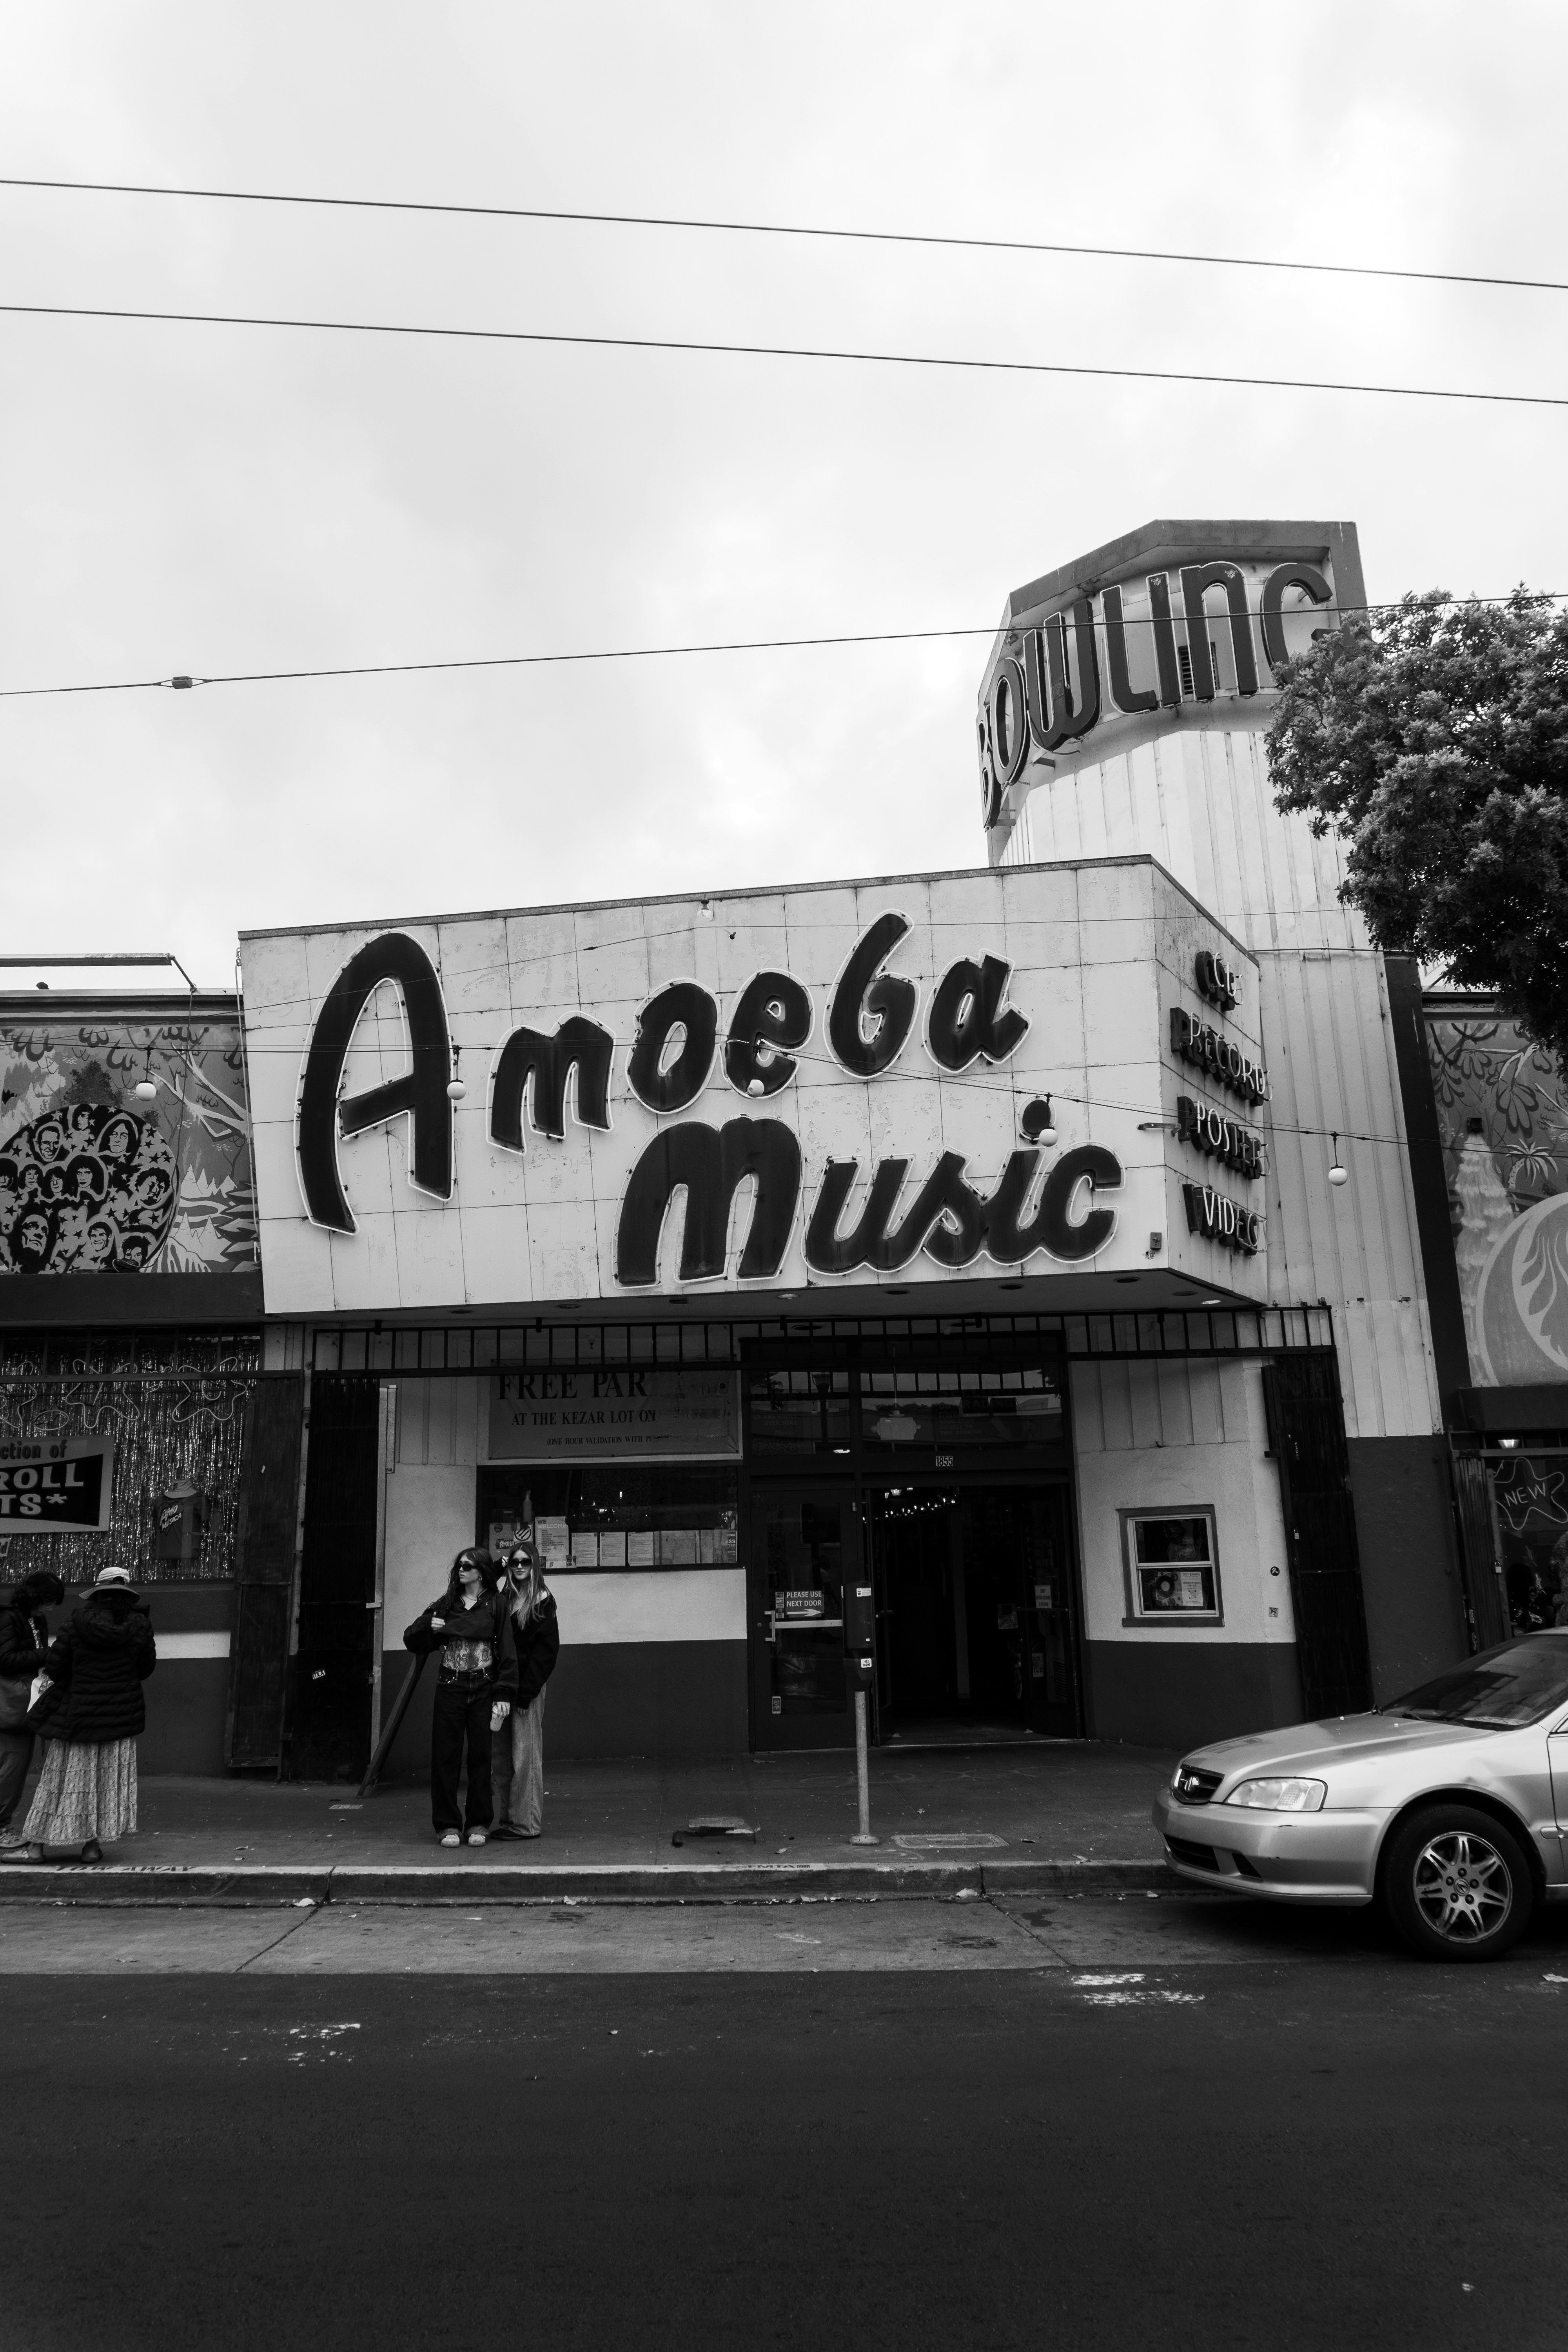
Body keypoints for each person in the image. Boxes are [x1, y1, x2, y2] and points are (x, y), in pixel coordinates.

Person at [22, 1563, 155, 1864]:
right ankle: (92, 1848)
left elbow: (55, 1669)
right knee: (104, 1783)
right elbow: (146, 1670)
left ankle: (35, 1848)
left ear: (97, 1592)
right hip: (120, 1716)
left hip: (78, 1715)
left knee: (63, 1781)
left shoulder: (75, 1624)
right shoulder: (141, 1625)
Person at [404, 1548, 512, 1848]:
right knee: (446, 1757)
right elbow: (412, 1639)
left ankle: (478, 1822)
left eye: (468, 1566)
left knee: (481, 1757)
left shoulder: (497, 1603)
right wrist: (429, 1625)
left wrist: (503, 1692)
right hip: (450, 1685)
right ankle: (447, 1825)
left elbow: (506, 1650)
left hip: (484, 1686)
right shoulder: (447, 1603)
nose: (461, 1570)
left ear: (481, 1572)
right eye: (459, 1566)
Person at [490, 1539, 560, 1841]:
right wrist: (498, 1565)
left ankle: (527, 1825)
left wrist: (527, 1693)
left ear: (534, 1565)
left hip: (526, 1691)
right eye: (515, 1562)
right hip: (502, 1689)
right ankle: (508, 1820)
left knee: (525, 1758)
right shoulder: (505, 1597)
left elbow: (546, 1653)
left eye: (525, 1562)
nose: (519, 1567)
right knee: (503, 1760)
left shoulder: (542, 1600)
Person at [0, 1570, 64, 1857]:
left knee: (17, 1765)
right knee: (11, 1765)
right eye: (48, 1601)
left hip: (26, 1701)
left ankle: (3, 1825)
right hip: (11, 1704)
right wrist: (48, 1654)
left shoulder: (36, 1619)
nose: (50, 1608)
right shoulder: (9, 1618)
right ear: (35, 1596)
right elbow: (4, 1659)